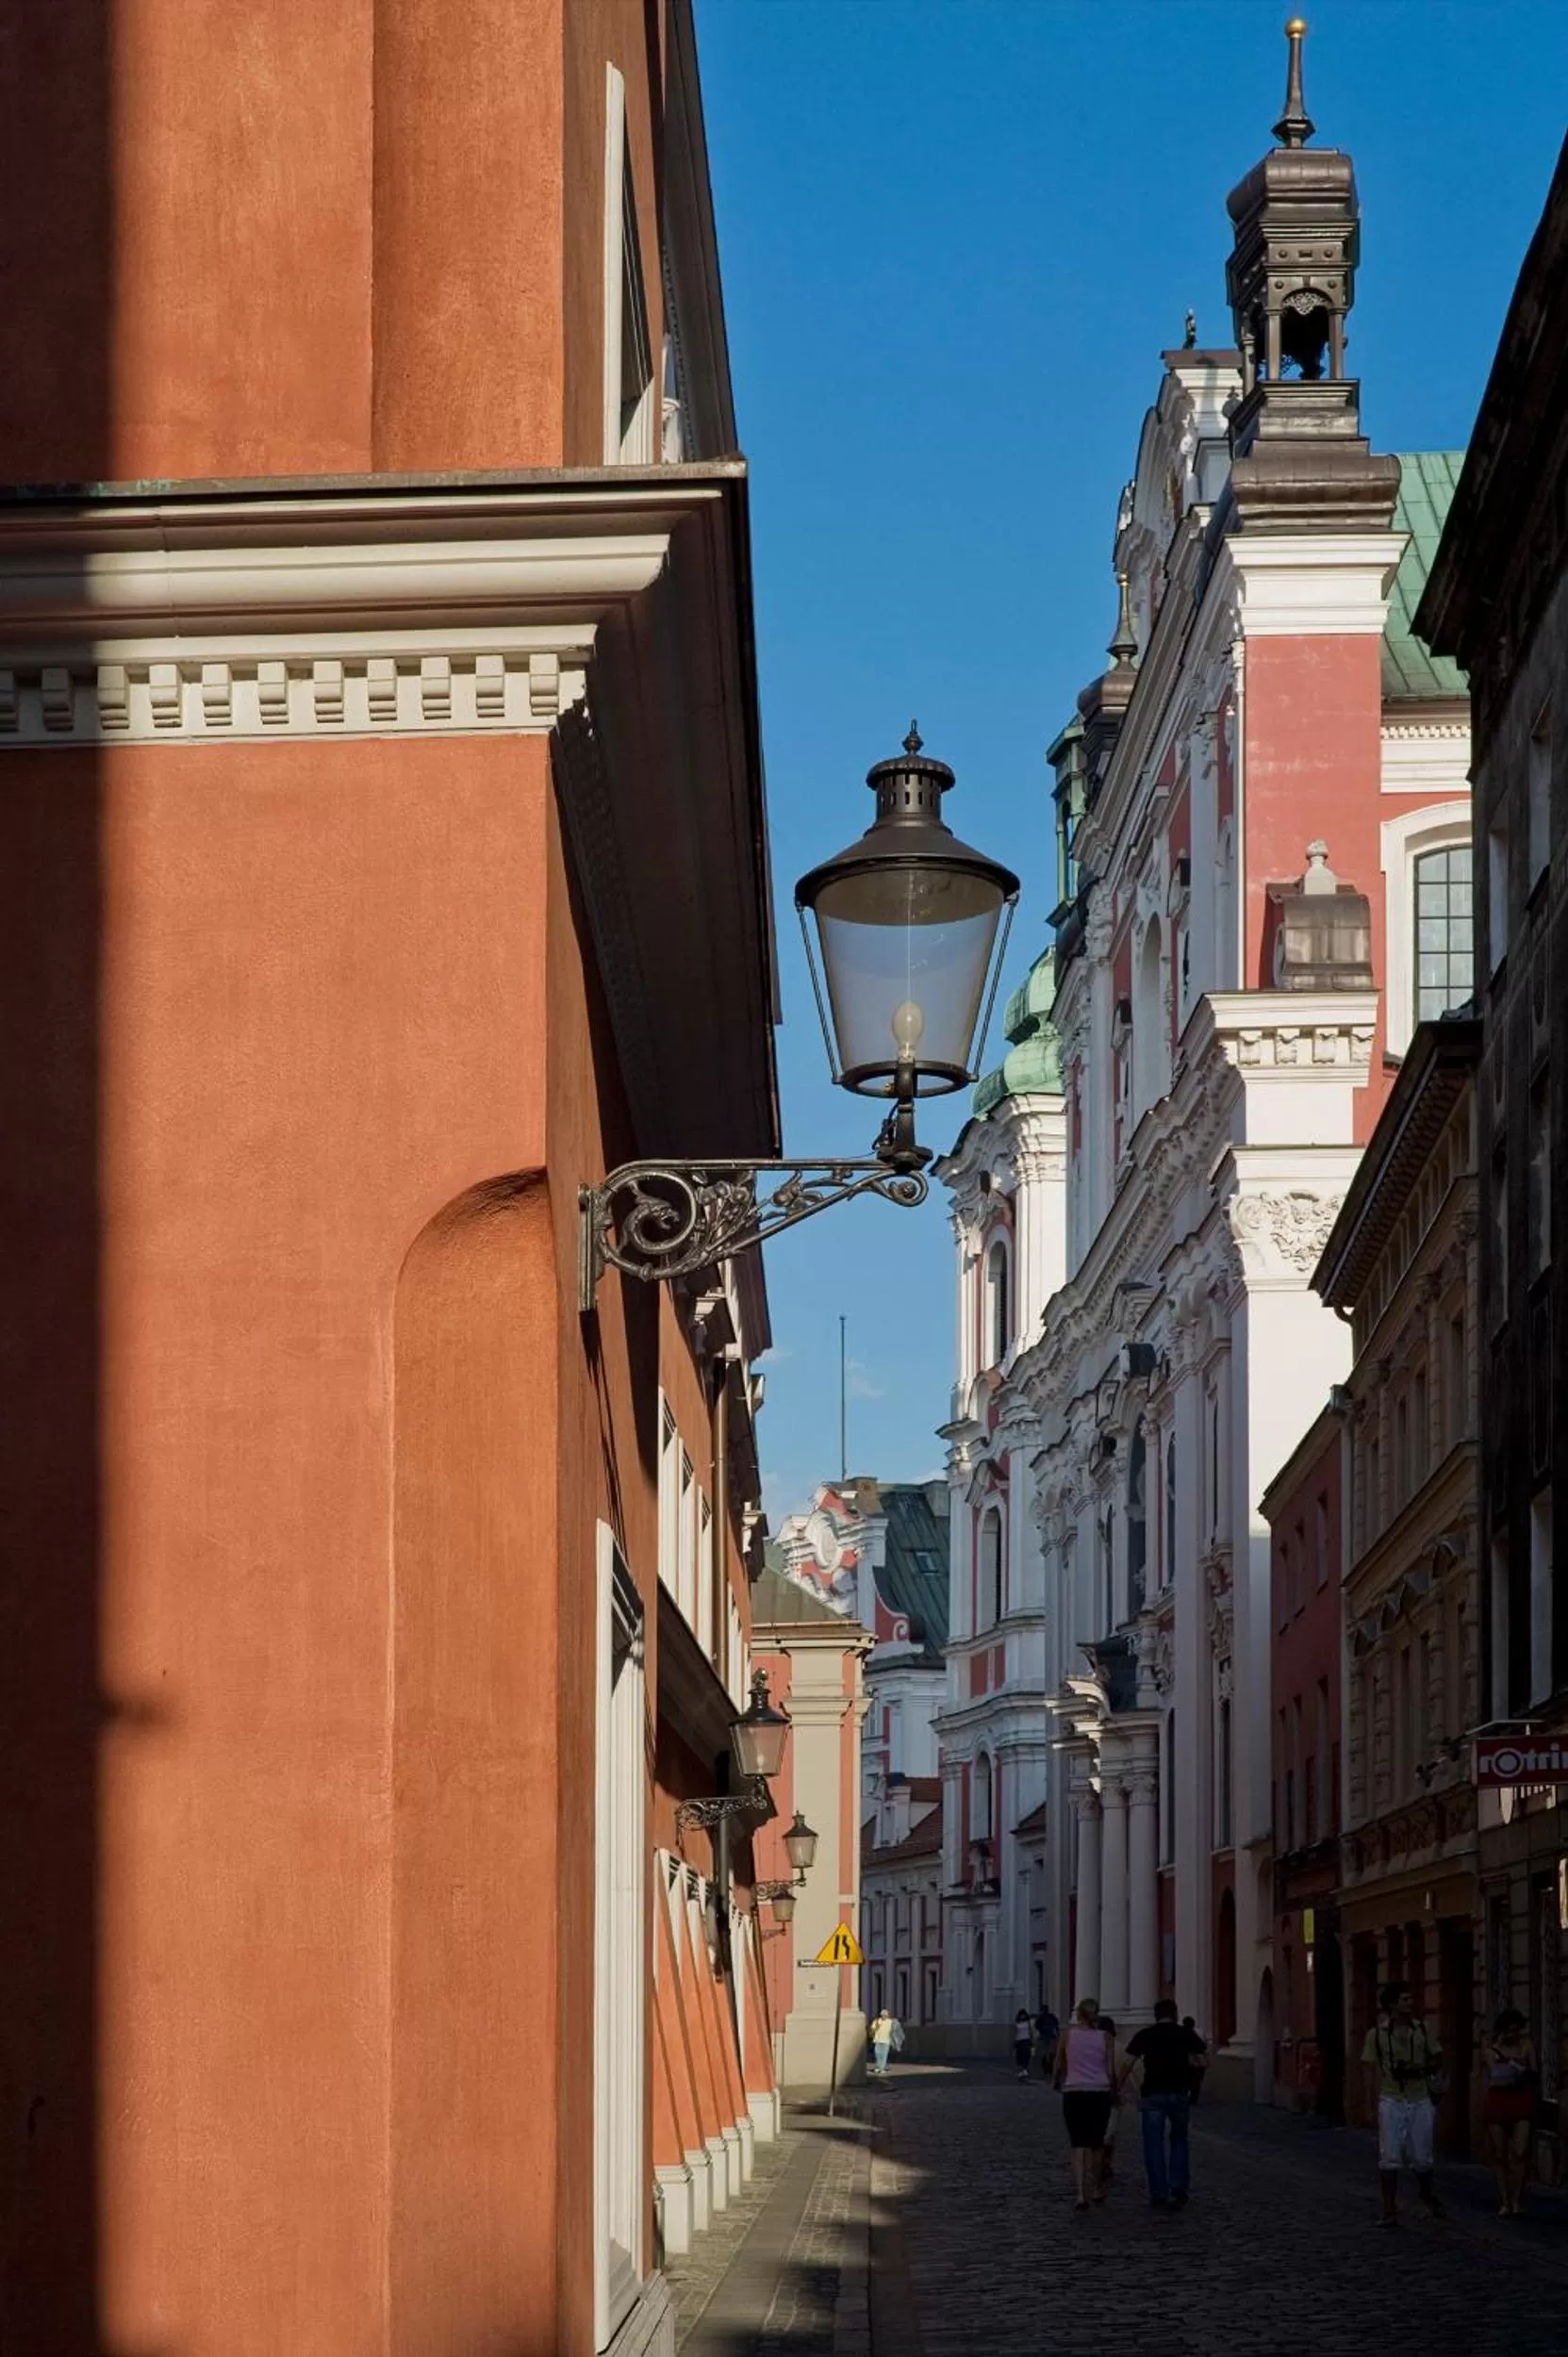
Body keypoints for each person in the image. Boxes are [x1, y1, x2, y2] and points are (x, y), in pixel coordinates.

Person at [1361, 1982, 1445, 2227]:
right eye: (1404, 1999)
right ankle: (1389, 2209)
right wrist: (1370, 2104)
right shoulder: (1377, 2035)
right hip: (1391, 2098)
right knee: (1389, 2155)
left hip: (1420, 2097)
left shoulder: (1422, 2030)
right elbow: (1369, 2069)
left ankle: (1426, 2193)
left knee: (1423, 2156)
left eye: (1410, 1999)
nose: (1410, 2003)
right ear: (1392, 2004)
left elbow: (1437, 2058)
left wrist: (1420, 2068)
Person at [1121, 2000, 1208, 2209]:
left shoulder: (1145, 2034)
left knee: (1153, 2143)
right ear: (1175, 2014)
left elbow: (1128, 2063)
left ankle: (1159, 2192)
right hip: (1178, 2092)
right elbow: (1203, 2061)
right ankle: (1178, 2186)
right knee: (1179, 2139)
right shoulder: (1185, 2033)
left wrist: (1118, 2084)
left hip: (1152, 2092)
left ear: (1156, 2015)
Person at [1054, 1997, 1116, 2209]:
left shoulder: (1067, 2035)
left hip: (1074, 2092)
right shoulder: (1106, 2037)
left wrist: (1055, 2082)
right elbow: (1110, 2070)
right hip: (1100, 2092)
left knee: (1078, 2143)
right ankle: (1097, 2188)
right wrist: (1113, 2092)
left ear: (1079, 2014)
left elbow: (1059, 2063)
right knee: (1097, 2144)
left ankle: (1081, 2194)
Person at [1481, 2008, 1537, 2217]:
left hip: (1521, 2099)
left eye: (1516, 2030)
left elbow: (1534, 2073)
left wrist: (1522, 2072)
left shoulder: (1527, 2045)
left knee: (1520, 2151)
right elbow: (1494, 2075)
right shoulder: (1491, 2049)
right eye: (1508, 2030)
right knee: (1499, 2153)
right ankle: (1504, 2200)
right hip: (1498, 2101)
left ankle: (1516, 2200)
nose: (1513, 2034)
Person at [1181, 2016, 1209, 2107]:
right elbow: (1201, 2047)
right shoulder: (1193, 2034)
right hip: (1193, 2063)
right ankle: (1192, 2099)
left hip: (1182, 2062)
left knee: (1184, 2082)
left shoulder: (1180, 2033)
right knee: (1196, 2082)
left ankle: (1183, 2097)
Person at [867, 2007, 903, 2078]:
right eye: (883, 2015)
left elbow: (895, 2028)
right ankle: (878, 2067)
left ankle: (881, 2068)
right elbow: (872, 2029)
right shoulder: (876, 2021)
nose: (884, 2016)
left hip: (886, 2041)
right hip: (877, 2040)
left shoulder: (890, 2022)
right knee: (878, 2054)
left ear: (887, 2015)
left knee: (884, 2056)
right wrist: (874, 2029)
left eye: (885, 2015)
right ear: (881, 2015)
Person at [1035, 2003, 1061, 2080]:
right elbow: (1056, 2025)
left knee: (1046, 2055)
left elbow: (1037, 2026)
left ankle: (1047, 2071)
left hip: (1045, 2037)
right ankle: (1049, 2071)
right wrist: (1057, 2034)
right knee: (1050, 2054)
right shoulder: (1051, 2016)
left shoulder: (1041, 2017)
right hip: (1050, 2037)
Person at [1014, 2007, 1034, 2081]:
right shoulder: (1017, 2023)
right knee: (1020, 2056)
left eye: (1023, 2015)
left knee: (1026, 2055)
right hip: (1019, 2041)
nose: (1022, 2016)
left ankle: (1024, 2069)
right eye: (1021, 2015)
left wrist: (1031, 2039)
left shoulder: (1028, 2022)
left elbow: (1030, 2031)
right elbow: (1015, 2033)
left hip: (1026, 2040)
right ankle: (1022, 2071)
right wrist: (1014, 2041)